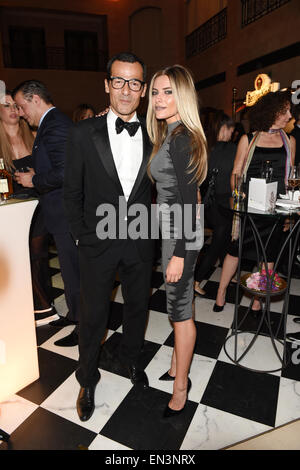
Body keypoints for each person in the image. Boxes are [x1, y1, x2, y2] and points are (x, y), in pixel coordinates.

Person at [64, 52, 155, 422]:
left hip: (140, 239)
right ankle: (87, 378)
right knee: (93, 313)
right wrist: (83, 236)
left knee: (138, 307)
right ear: (106, 84)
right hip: (97, 241)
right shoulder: (82, 133)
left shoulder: (156, 132)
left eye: (134, 82)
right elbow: (72, 192)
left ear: (144, 89)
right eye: (119, 80)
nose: (126, 90)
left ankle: (131, 360)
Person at [147, 65, 207, 416]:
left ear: (182, 96)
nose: (159, 98)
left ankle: (181, 387)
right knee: (178, 305)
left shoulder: (181, 137)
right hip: (178, 232)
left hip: (180, 236)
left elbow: (187, 202)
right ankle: (174, 365)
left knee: (180, 313)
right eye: (155, 91)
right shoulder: (171, 134)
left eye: (168, 91)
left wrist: (179, 255)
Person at [214, 90, 295, 313]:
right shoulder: (248, 139)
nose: (289, 115)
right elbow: (236, 172)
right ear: (272, 112)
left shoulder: (289, 141)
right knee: (235, 250)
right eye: (284, 111)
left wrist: (288, 211)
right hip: (249, 208)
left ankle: (258, 299)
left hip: (275, 209)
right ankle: (221, 291)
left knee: (268, 254)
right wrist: (237, 196)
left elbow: (290, 178)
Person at [13, 80, 81, 340]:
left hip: (66, 214)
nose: (20, 113)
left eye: (21, 106)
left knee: (74, 272)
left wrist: (35, 180)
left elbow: (67, 171)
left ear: (35, 100)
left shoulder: (55, 126)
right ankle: (76, 314)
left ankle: (84, 326)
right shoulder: (50, 125)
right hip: (60, 213)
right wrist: (38, 173)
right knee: (69, 270)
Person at [0, 90, 54, 322]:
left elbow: (50, 169)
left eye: (15, 105)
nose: (13, 109)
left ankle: (43, 302)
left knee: (39, 255)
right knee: (23, 257)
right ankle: (37, 304)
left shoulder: (34, 136)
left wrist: (37, 174)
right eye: (6, 105)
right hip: (12, 209)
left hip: (39, 203)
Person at [194, 111, 236, 296]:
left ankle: (230, 272)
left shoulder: (204, 148)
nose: (233, 131)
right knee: (218, 242)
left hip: (207, 204)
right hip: (224, 204)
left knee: (222, 239)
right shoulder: (232, 149)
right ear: (223, 128)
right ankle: (196, 280)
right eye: (230, 127)